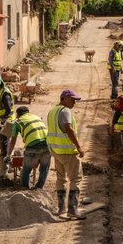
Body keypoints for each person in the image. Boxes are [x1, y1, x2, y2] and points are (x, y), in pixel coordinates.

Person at [47, 89, 85, 218]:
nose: (74, 102)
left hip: (56, 151)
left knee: (61, 179)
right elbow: (68, 129)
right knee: (75, 179)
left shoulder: (52, 111)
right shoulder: (65, 111)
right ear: (64, 98)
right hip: (67, 151)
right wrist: (79, 147)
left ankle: (61, 208)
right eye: (72, 99)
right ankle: (73, 210)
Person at [5, 106, 49, 189]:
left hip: (33, 146)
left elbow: (13, 141)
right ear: (28, 112)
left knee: (26, 169)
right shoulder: (37, 117)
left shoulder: (18, 122)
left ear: (18, 115)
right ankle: (39, 188)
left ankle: (25, 188)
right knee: (44, 168)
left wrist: (8, 155)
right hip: (47, 144)